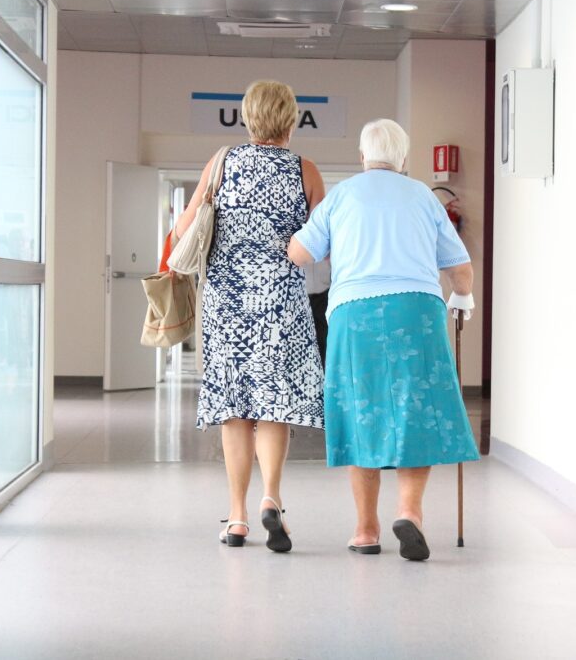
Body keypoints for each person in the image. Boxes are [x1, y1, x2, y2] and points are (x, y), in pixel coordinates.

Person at [288, 118, 479, 561]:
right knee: (416, 409)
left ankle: (365, 530)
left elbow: (301, 253)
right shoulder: (422, 198)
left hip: (355, 315)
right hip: (417, 311)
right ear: (404, 159)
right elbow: (460, 268)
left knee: (361, 411)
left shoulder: (342, 196)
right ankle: (409, 513)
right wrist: (463, 298)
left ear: (362, 157)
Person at [174, 80, 325, 552]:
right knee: (274, 405)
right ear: (292, 119)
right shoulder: (305, 170)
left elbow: (183, 229)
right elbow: (320, 244)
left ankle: (237, 517)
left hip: (226, 303)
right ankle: (271, 499)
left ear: (247, 117)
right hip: (280, 303)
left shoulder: (222, 162)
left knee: (234, 409)